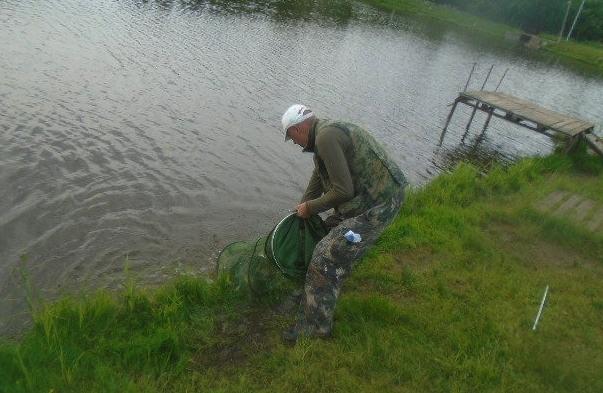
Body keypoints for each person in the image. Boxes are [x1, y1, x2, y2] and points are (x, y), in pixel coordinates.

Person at [281, 104, 408, 342]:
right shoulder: (323, 134)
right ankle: (316, 295)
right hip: (368, 199)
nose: (295, 143)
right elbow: (319, 175)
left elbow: (343, 191)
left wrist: (310, 207)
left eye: (292, 137)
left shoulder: (326, 138)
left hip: (380, 204)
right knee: (325, 236)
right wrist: (303, 205)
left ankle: (315, 328)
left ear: (299, 129)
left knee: (326, 256)